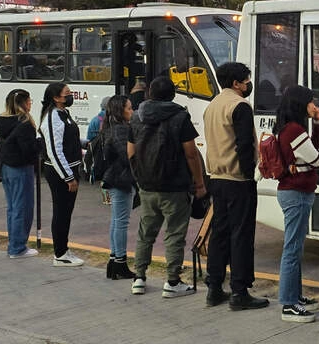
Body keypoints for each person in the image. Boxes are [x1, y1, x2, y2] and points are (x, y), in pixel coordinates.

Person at [128, 77, 206, 297]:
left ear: (149, 94)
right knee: (174, 234)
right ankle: (172, 281)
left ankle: (139, 278)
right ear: (173, 95)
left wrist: (140, 178)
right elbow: (191, 153)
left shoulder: (136, 117)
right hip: (175, 186)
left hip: (147, 186)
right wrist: (199, 184)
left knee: (145, 233)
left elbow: (131, 152)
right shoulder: (180, 117)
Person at [203, 62, 267, 310]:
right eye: (246, 80)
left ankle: (214, 287)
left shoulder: (213, 106)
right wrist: (249, 173)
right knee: (241, 235)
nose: (248, 84)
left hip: (216, 178)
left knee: (219, 234)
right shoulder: (239, 106)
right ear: (236, 83)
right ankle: (239, 291)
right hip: (237, 179)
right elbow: (243, 145)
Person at [273, 85, 319, 323]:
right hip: (296, 193)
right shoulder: (294, 130)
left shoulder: (288, 128)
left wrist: (317, 123)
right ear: (300, 104)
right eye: (310, 101)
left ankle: (296, 296)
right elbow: (317, 159)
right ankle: (288, 305)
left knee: (295, 248)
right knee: (292, 250)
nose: (313, 105)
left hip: (292, 191)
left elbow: (311, 151)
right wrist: (316, 125)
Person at [40, 81, 85, 267]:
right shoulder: (52, 117)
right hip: (60, 171)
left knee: (66, 212)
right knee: (61, 211)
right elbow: (54, 150)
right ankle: (60, 253)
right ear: (56, 97)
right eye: (67, 93)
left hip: (71, 167)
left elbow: (70, 139)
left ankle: (64, 249)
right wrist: (68, 177)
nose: (70, 96)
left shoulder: (64, 114)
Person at [0, 89, 40, 259]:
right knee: (23, 207)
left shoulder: (1, 121)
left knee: (13, 207)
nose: (30, 104)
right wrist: (39, 146)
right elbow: (28, 150)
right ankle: (18, 247)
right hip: (21, 168)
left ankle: (14, 243)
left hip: (6, 167)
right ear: (24, 103)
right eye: (29, 101)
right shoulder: (25, 123)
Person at [99, 95, 136, 279]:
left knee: (116, 220)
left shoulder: (109, 127)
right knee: (121, 222)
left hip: (113, 178)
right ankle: (120, 262)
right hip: (120, 179)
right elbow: (126, 155)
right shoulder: (121, 130)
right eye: (129, 108)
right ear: (120, 111)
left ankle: (114, 260)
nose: (132, 111)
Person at [87, 98, 111, 205]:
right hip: (107, 151)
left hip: (98, 151)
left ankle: (106, 198)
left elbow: (89, 138)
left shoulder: (95, 120)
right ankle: (108, 197)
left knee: (103, 175)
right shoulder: (111, 119)